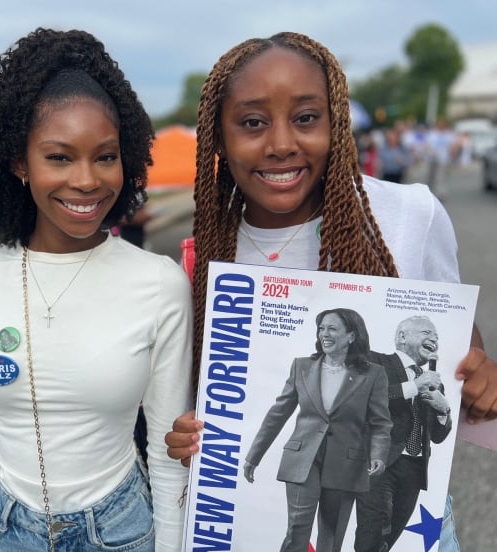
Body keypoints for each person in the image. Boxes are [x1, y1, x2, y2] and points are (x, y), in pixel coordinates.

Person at [164, 31, 497, 552]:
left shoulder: (407, 216)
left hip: (393, 505)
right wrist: (187, 438)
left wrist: (478, 374)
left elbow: (457, 333)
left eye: (305, 117)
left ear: (336, 122)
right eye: (252, 122)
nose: (280, 143)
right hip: (274, 501)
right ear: (218, 137)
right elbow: (219, 405)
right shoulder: (204, 257)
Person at [0, 28, 192, 552]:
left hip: (120, 531)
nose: (87, 180)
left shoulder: (159, 282)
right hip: (0, 530)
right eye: (59, 157)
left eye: (105, 156)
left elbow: (168, 451)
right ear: (18, 164)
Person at [243, 308, 391, 552]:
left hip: (347, 464)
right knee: (297, 530)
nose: (325, 334)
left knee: (331, 537)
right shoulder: (302, 367)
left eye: (332, 328)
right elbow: (277, 414)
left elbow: (380, 422)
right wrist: (254, 456)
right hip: (303, 460)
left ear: (351, 336)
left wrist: (378, 455)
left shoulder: (373, 374)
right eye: (321, 328)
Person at [355, 315, 453, 551]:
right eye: (426, 333)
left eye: (436, 337)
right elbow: (365, 397)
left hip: (415, 470)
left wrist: (444, 410)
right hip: (381, 462)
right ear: (402, 336)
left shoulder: (434, 382)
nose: (434, 339)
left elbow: (438, 436)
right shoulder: (376, 361)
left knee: (387, 541)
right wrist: (414, 387)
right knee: (374, 532)